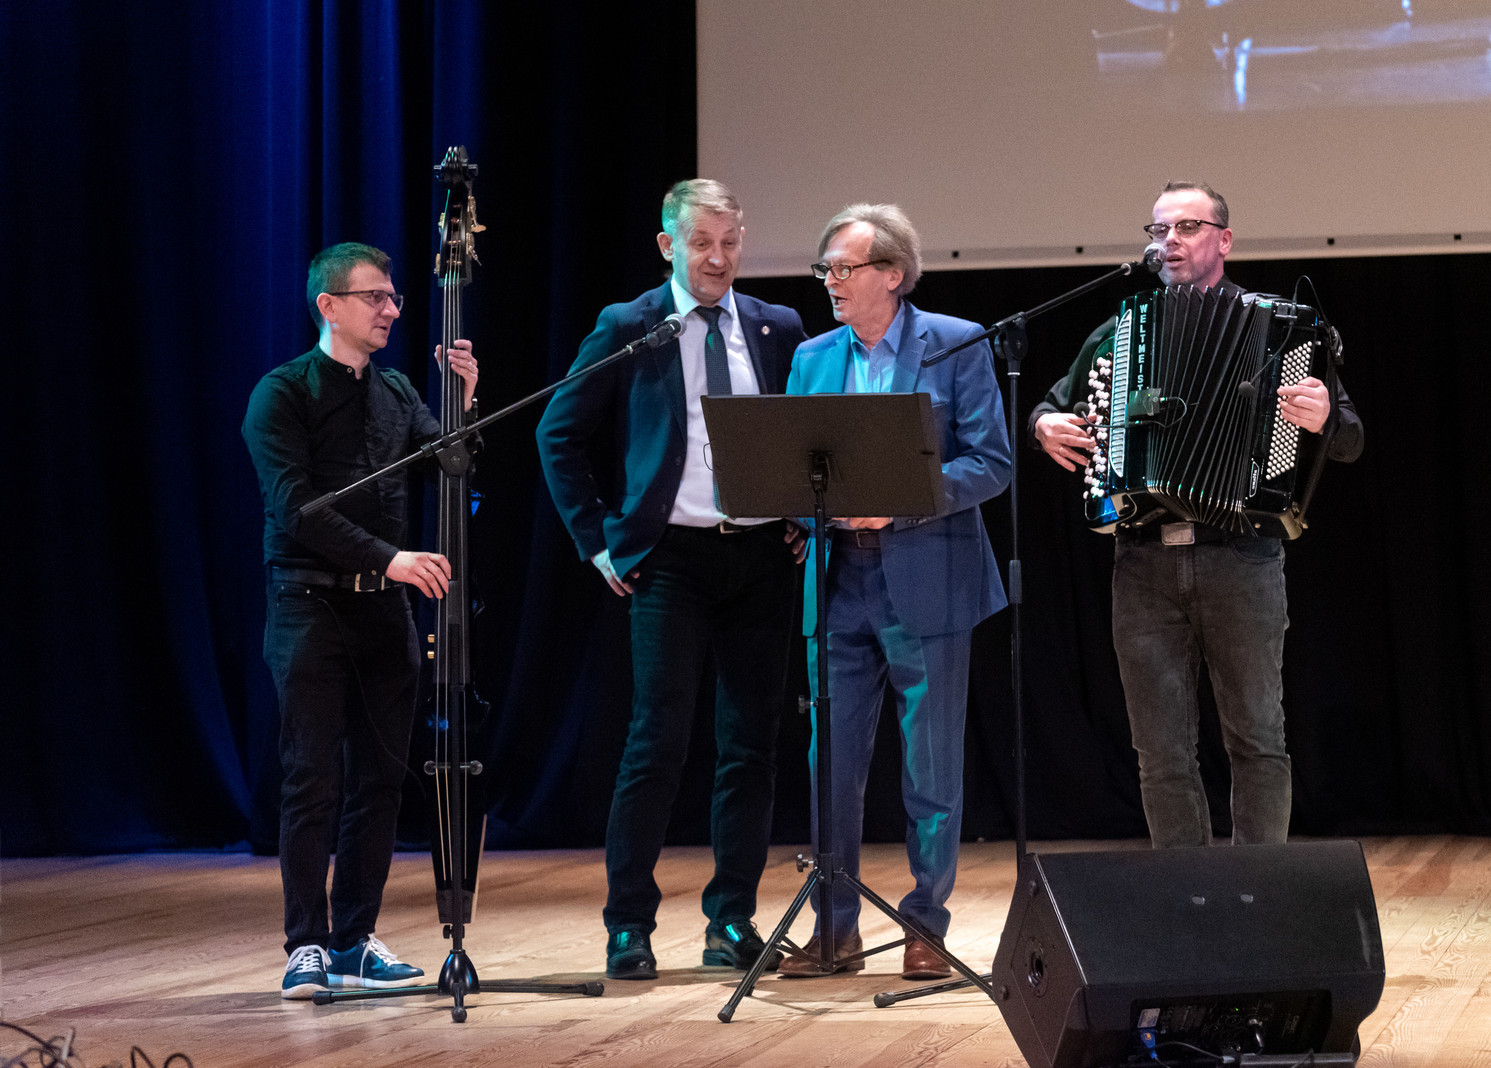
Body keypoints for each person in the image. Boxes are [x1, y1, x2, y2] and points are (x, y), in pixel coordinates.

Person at [1029, 181, 1364, 849]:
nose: (1169, 242)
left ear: (1224, 240)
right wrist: (1045, 426)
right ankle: (1187, 895)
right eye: (1159, 231)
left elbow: (1350, 438)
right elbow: (1053, 405)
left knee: (1257, 739)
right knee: (1160, 752)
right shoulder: (1120, 333)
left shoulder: (1281, 330)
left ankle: (1259, 891)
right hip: (1143, 562)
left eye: (1186, 227)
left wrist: (1325, 415)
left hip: (1241, 556)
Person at [536, 179, 808, 980]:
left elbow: (802, 434)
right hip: (671, 562)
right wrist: (599, 542)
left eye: (729, 242)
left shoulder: (778, 326)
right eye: (701, 243)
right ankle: (629, 925)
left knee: (750, 746)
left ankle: (732, 920)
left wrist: (799, 512)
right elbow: (558, 432)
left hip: (760, 561)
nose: (717, 258)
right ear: (668, 246)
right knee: (656, 741)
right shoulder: (631, 326)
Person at [242, 242, 480, 998]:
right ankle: (306, 945)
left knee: (380, 783)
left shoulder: (398, 390)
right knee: (312, 779)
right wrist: (393, 558)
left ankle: (352, 940)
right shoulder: (281, 394)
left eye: (394, 297)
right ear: (329, 306)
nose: (391, 310)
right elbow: (298, 510)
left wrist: (464, 402)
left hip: (383, 610)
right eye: (375, 297)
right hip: (308, 605)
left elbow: (454, 466)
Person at [779, 204, 1010, 980]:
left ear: (892, 274)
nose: (830, 282)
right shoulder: (812, 358)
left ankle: (925, 926)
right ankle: (834, 930)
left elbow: (991, 462)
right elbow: (790, 465)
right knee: (830, 767)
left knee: (931, 771)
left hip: (928, 575)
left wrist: (902, 502)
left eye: (843, 268)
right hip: (837, 579)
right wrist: (797, 503)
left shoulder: (956, 343)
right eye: (825, 269)